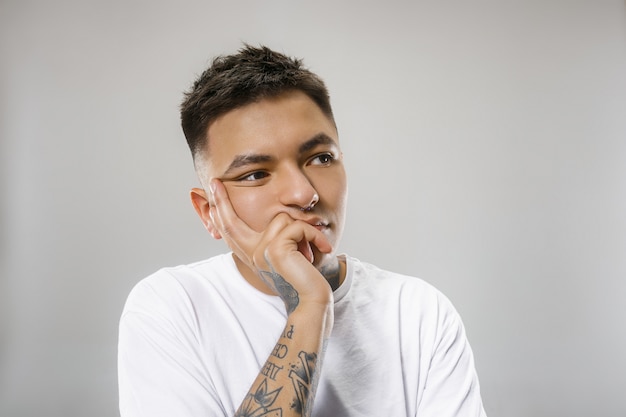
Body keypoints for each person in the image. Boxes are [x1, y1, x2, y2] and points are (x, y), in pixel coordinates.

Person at [118, 44, 486, 417]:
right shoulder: (170, 309)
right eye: (256, 174)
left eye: (321, 158)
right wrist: (309, 307)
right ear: (209, 211)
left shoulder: (419, 312)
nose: (304, 193)